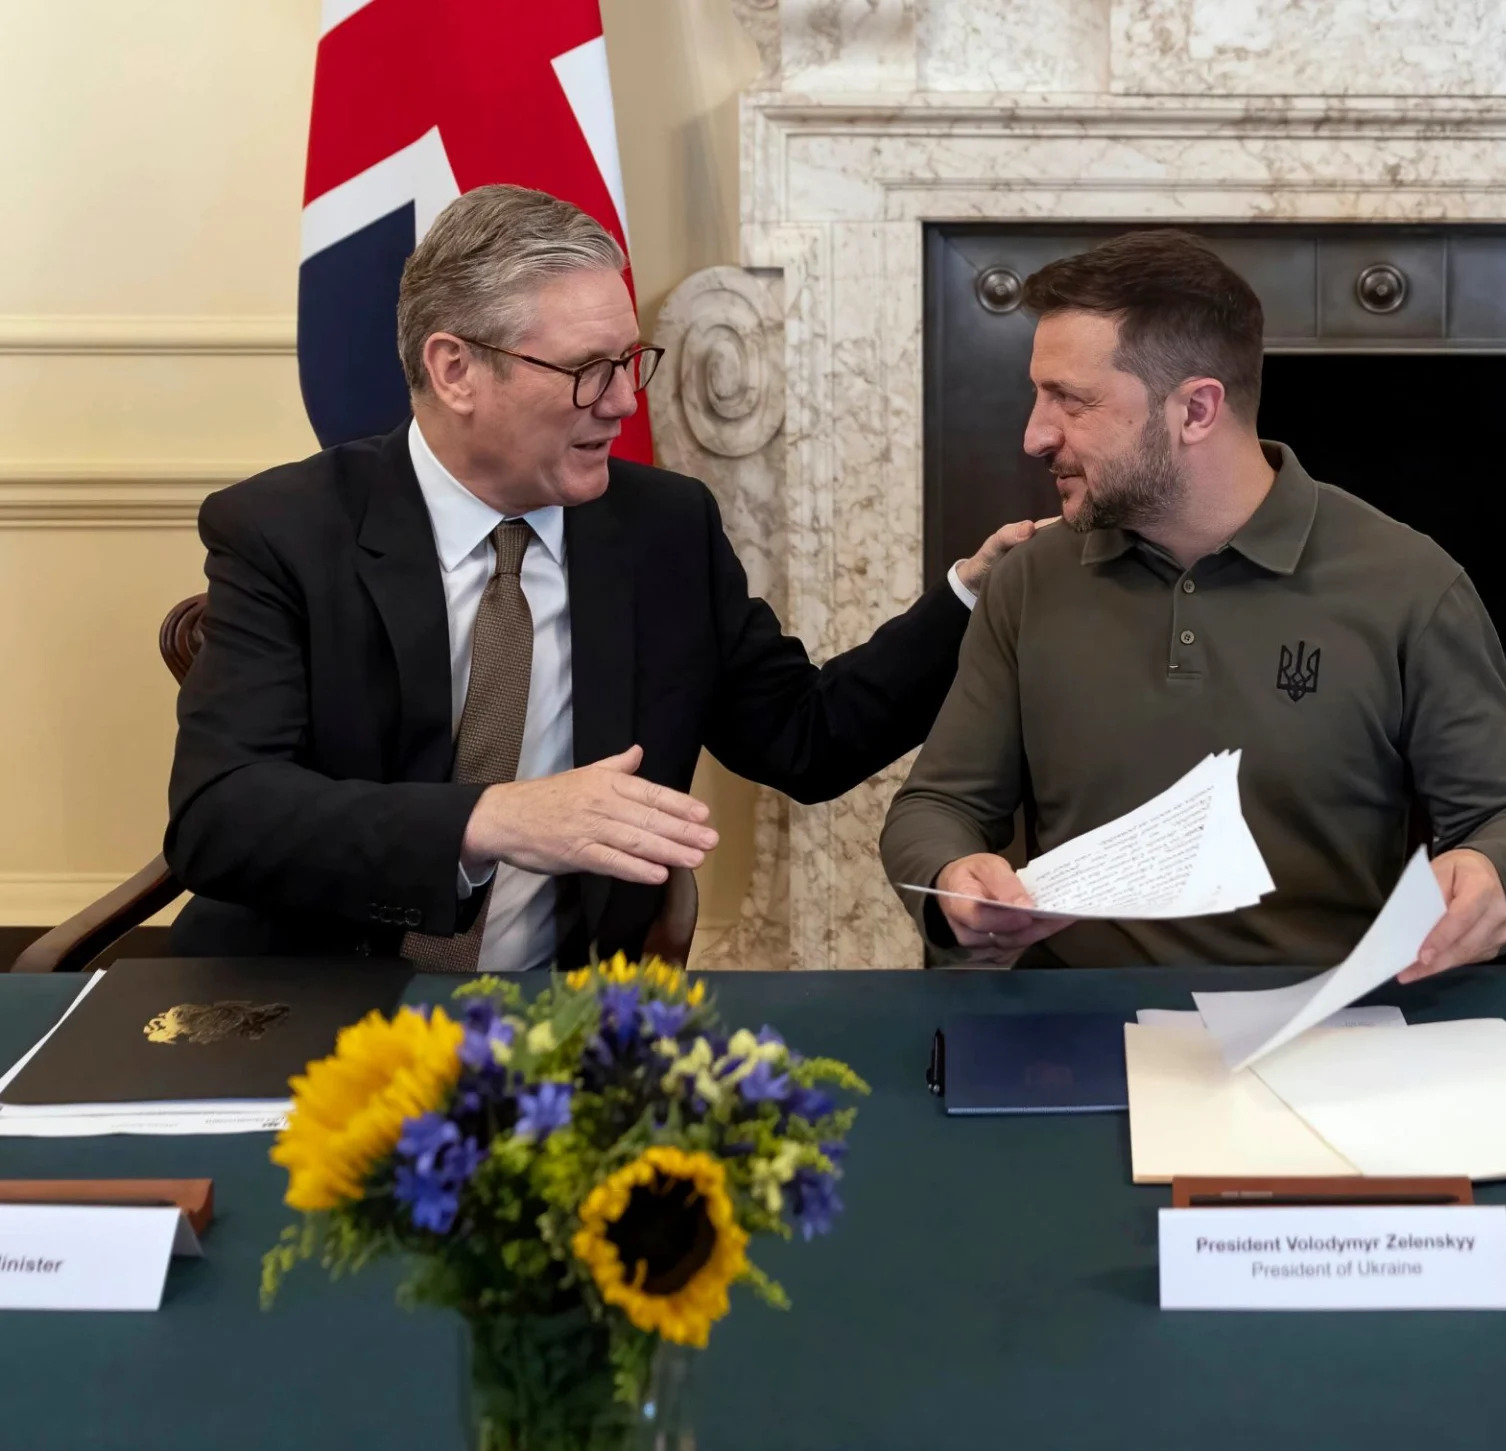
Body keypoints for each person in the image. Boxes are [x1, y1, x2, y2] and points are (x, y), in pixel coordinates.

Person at [167, 184, 1037, 968]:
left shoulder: (663, 530)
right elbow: (222, 814)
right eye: (588, 370)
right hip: (311, 1005)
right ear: (454, 369)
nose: (624, 402)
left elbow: (807, 740)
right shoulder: (287, 531)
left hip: (560, 1026)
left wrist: (969, 594)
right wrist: (491, 820)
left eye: (630, 362)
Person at [880, 230, 1506, 974]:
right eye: (1038, 395)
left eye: (1069, 401)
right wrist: (950, 876)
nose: (1035, 435)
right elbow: (934, 806)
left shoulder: (1410, 583)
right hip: (1075, 1021)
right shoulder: (1029, 581)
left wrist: (1491, 875)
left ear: (1197, 410)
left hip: (1320, 1024)